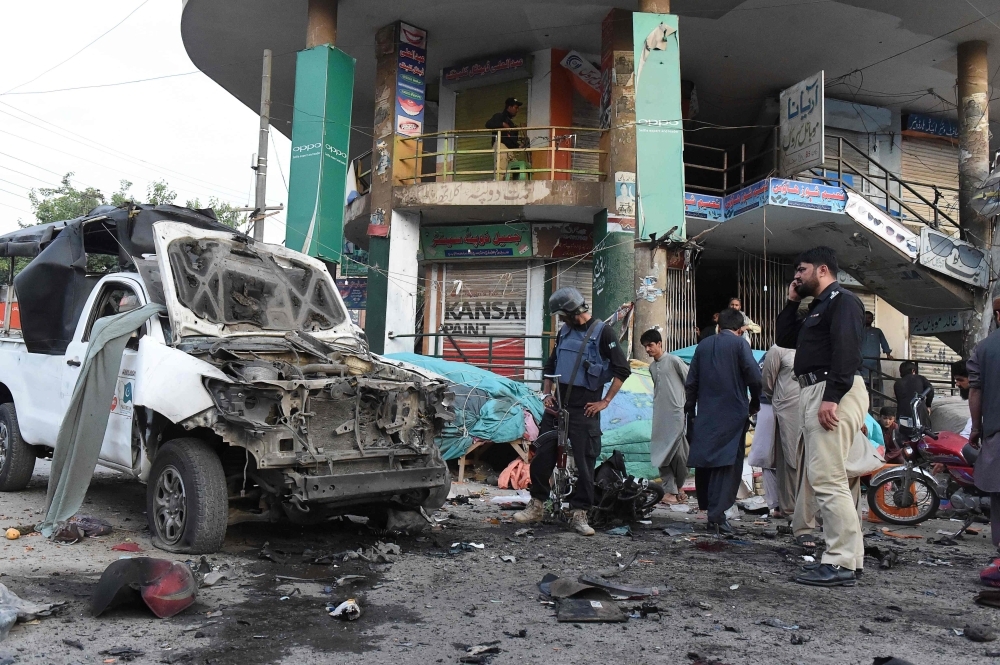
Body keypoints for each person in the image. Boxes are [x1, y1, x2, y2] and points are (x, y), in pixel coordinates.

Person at [775, 246, 867, 588]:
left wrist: (832, 397)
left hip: (832, 389)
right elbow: (785, 339)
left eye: (802, 269)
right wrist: (791, 299)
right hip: (817, 389)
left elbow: (848, 349)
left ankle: (840, 562)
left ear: (823, 269)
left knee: (827, 480)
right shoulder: (818, 307)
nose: (797, 275)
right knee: (829, 479)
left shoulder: (843, 301)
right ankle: (849, 559)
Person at [514, 286, 630, 535]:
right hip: (557, 407)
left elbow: (622, 370)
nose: (560, 320)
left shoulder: (603, 332)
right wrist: (546, 393)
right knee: (543, 455)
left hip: (585, 408)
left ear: (569, 310)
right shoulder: (564, 332)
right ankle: (537, 505)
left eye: (561, 315)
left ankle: (579, 514)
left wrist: (605, 402)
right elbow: (551, 364)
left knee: (586, 462)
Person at [685, 308, 762, 534]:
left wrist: (689, 409)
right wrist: (755, 401)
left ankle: (709, 510)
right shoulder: (740, 345)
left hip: (707, 413)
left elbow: (692, 382)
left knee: (706, 461)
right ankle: (717, 515)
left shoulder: (703, 346)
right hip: (734, 414)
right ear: (739, 330)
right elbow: (755, 377)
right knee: (727, 465)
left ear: (719, 326)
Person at [640, 328, 689, 504]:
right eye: (645, 346)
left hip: (677, 415)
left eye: (650, 345)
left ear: (660, 344)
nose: (647, 350)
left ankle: (678, 488)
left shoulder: (675, 361)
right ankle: (671, 492)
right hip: (660, 416)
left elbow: (690, 382)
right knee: (662, 453)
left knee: (680, 456)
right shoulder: (652, 367)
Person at [967, 297, 1000, 551]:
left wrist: (976, 429)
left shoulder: (984, 348)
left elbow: (975, 391)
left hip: (995, 433)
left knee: (998, 495)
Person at [761, 344, 802, 519]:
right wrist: (780, 399)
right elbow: (767, 382)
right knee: (789, 457)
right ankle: (790, 507)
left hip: (813, 406)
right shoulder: (778, 350)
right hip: (787, 408)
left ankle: (809, 508)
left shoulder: (815, 343)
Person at [485, 97, 524, 180]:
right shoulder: (499, 116)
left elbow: (511, 141)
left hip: (509, 150)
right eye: (516, 107)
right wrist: (502, 124)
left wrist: (518, 145)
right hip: (500, 146)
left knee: (515, 168)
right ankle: (498, 185)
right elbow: (488, 124)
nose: (517, 110)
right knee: (501, 167)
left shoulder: (512, 124)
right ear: (509, 107)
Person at [861, 311, 892, 405]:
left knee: (875, 384)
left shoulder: (877, 331)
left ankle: (875, 406)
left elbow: (884, 343)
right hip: (860, 363)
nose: (867, 319)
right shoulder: (857, 330)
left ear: (872, 319)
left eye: (869, 317)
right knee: (862, 384)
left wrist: (888, 354)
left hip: (874, 363)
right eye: (865, 317)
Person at [894, 361, 934, 428]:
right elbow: (930, 389)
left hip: (903, 413)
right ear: (913, 370)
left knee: (906, 434)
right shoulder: (920, 378)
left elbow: (899, 400)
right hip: (920, 411)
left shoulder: (897, 383)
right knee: (925, 433)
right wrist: (928, 405)